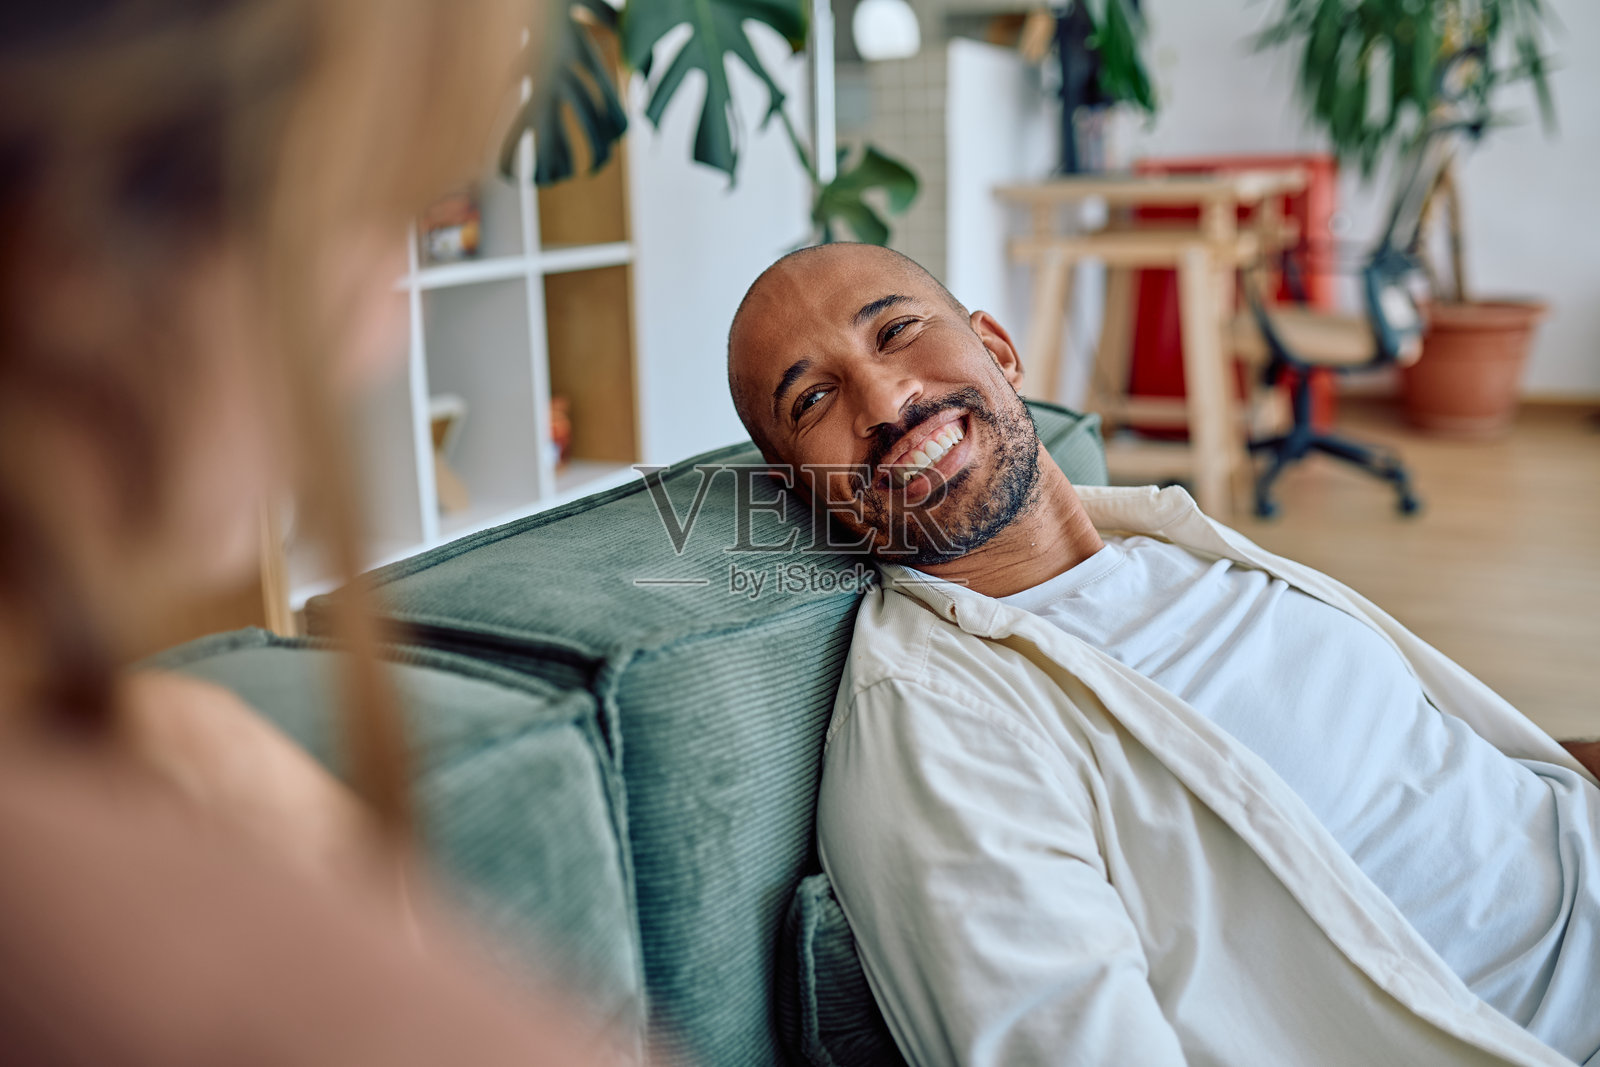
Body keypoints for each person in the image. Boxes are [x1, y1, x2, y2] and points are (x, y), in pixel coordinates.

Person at [726, 242, 1600, 1067]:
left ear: (998, 347)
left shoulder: (1171, 542)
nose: (882, 402)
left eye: (896, 330)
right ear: (799, 490)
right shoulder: (933, 727)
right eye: (812, 401)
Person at [0, 1, 620, 1061]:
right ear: (82, 228)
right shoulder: (145, 947)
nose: (395, 322)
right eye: (377, 213)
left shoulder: (156, 751)